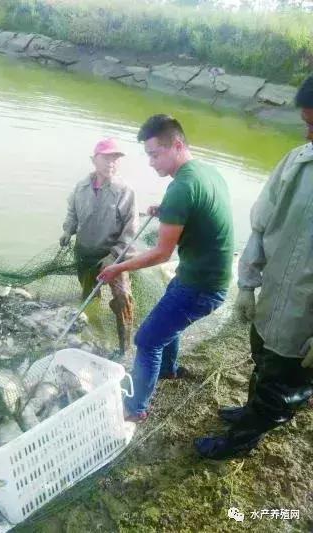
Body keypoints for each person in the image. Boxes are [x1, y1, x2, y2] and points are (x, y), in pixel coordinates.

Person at [195, 74, 313, 460]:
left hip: (305, 321)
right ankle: (251, 412)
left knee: (282, 386)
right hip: (273, 296)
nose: (309, 135)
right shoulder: (297, 163)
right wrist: (247, 284)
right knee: (261, 360)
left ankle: (241, 442)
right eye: (308, 124)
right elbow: (261, 225)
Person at [99, 115, 234, 421]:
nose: (150, 162)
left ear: (176, 145)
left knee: (146, 340)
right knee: (166, 322)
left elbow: (161, 254)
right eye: (148, 155)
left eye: (154, 154)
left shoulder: (181, 188)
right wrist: (167, 212)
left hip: (201, 286)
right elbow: (197, 212)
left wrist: (118, 268)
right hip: (207, 277)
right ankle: (169, 371)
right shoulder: (204, 172)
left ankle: (136, 409)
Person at [59, 138, 138, 356]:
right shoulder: (81, 186)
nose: (111, 163)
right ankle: (91, 339)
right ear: (94, 160)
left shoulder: (125, 191)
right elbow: (72, 212)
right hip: (85, 253)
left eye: (116, 158)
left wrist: (113, 257)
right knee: (88, 296)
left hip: (115, 256)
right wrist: (68, 230)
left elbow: (131, 231)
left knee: (124, 301)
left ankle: (125, 348)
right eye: (106, 158)